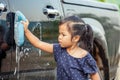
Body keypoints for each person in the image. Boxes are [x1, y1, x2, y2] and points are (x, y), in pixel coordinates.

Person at [22, 15, 101, 80]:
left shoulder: (85, 57)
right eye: (59, 33)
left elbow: (95, 77)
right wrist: (26, 31)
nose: (59, 37)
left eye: (63, 35)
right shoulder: (59, 49)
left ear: (75, 38)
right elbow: (38, 43)